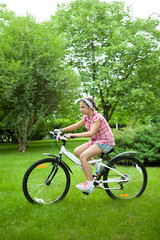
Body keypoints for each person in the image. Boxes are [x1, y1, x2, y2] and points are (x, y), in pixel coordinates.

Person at [56, 97, 115, 194]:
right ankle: (98, 167)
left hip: (105, 142)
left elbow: (91, 133)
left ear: (90, 108)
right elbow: (75, 126)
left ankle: (90, 185)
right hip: (96, 140)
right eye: (80, 107)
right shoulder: (86, 117)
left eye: (83, 107)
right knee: (77, 151)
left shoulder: (97, 117)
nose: (81, 109)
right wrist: (61, 130)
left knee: (83, 156)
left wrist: (73, 135)